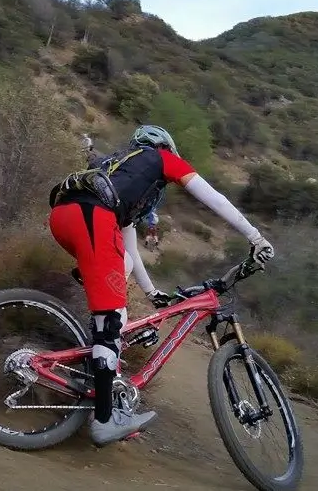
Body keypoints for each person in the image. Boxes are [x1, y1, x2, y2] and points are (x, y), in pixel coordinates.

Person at [47, 124, 275, 447]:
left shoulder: (116, 173)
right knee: (110, 321)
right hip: (92, 219)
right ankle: (105, 419)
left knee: (118, 288)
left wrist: (152, 292)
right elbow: (214, 198)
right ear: (164, 147)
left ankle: (95, 371)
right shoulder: (162, 158)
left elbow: (129, 248)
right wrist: (256, 237)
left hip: (64, 217)